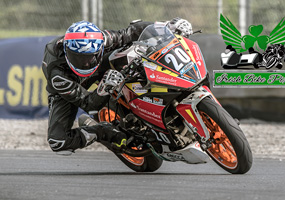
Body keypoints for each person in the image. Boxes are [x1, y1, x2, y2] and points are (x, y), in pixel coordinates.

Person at [42, 18, 193, 155]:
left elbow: (130, 32)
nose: (86, 63)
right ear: (67, 50)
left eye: (89, 57)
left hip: (101, 65)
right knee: (58, 142)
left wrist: (166, 27)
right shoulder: (58, 75)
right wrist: (104, 88)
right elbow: (88, 104)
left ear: (99, 48)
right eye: (79, 58)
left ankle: (156, 99)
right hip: (70, 81)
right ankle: (103, 131)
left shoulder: (102, 39)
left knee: (132, 54)